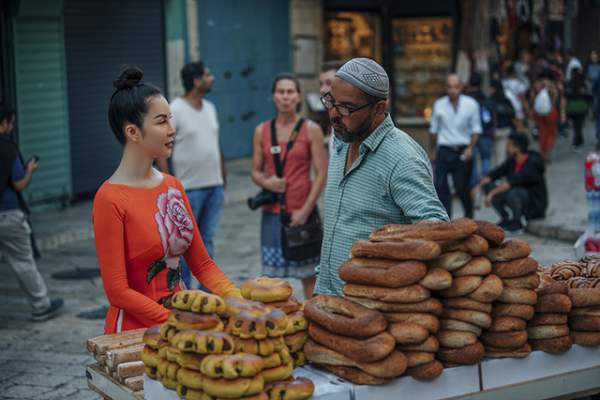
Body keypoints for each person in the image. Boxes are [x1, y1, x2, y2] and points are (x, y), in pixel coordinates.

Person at [93, 67, 238, 333]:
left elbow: (203, 265)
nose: (172, 130)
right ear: (133, 132)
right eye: (161, 122)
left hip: (182, 325)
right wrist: (175, 323)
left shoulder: (173, 187)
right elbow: (118, 292)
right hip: (136, 333)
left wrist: (239, 302)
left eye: (171, 119)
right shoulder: (109, 198)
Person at [314, 58, 448, 296]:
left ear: (378, 109)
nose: (334, 114)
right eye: (330, 102)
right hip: (327, 296)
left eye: (345, 107)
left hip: (374, 309)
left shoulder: (403, 158)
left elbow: (437, 231)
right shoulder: (341, 138)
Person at [251, 74, 327, 299]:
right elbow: (255, 171)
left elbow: (321, 173)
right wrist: (267, 182)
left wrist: (305, 210)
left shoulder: (310, 129)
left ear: (298, 97)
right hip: (273, 214)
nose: (285, 97)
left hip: (302, 213)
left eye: (290, 92)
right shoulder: (262, 131)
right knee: (273, 281)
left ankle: (314, 321)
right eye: (281, 92)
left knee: (309, 277)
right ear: (273, 97)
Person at [156, 62, 226, 289]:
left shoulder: (211, 107)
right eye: (207, 75)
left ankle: (208, 289)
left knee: (207, 241)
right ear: (196, 81)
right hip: (188, 189)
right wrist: (167, 181)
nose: (212, 78)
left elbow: (214, 142)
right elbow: (162, 146)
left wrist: (222, 173)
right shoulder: (174, 109)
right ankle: (182, 290)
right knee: (183, 243)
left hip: (214, 186)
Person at [0, 104, 64, 321]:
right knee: (22, 261)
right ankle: (41, 306)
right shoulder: (8, 148)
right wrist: (29, 170)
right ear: (6, 122)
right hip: (8, 215)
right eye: (12, 121)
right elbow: (18, 184)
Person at [430, 73, 482, 219]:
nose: (452, 90)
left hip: (463, 149)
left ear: (461, 87)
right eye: (449, 87)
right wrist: (434, 150)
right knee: (440, 186)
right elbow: (434, 130)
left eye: (456, 87)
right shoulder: (439, 104)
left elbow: (476, 129)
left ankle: (469, 213)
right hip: (444, 149)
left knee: (461, 187)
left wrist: (471, 148)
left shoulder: (471, 104)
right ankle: (446, 218)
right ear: (446, 88)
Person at [475, 133, 547, 234]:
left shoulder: (533, 163)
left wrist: (491, 194)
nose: (506, 148)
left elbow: (512, 182)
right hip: (519, 197)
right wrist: (480, 185)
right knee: (489, 186)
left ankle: (518, 222)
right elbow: (497, 172)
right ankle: (506, 219)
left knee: (512, 190)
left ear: (517, 148)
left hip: (534, 206)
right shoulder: (513, 161)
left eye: (509, 145)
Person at [529, 69, 561, 162]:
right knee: (551, 133)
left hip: (538, 112)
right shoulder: (552, 85)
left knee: (542, 132)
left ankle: (542, 153)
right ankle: (548, 154)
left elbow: (532, 98)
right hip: (551, 112)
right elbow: (556, 97)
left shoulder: (536, 85)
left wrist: (532, 109)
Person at [319, 60, 345, 156]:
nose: (322, 89)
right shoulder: (334, 119)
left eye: (328, 83)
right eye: (321, 84)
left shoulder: (353, 120)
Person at [565, 68, 593, 151]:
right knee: (578, 126)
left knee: (576, 126)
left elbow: (566, 95)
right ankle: (576, 143)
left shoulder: (569, 84)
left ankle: (579, 140)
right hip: (582, 108)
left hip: (571, 109)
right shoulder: (584, 84)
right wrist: (589, 107)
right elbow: (589, 97)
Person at [490, 79, 516, 167]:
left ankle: (496, 173)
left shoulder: (491, 100)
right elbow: (513, 114)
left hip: (493, 130)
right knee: (501, 154)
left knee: (494, 154)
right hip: (505, 129)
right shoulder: (506, 100)